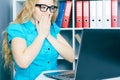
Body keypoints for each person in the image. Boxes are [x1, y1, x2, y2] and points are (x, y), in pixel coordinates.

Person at [2, 0, 75, 80]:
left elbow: (71, 57)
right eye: (43, 7)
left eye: (51, 8)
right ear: (31, 7)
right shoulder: (18, 28)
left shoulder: (51, 27)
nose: (48, 13)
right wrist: (41, 35)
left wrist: (48, 35)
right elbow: (23, 62)